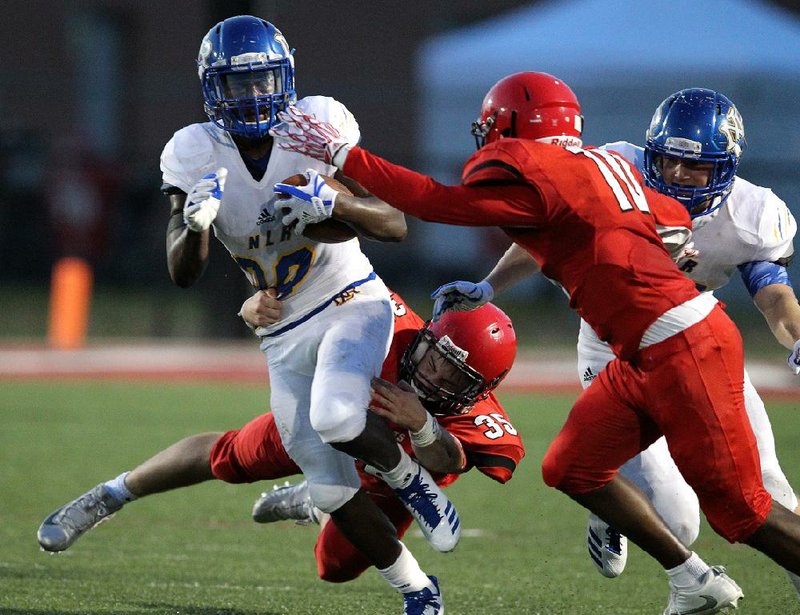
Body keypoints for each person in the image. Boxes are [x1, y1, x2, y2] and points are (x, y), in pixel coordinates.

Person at [271, 70, 800, 614]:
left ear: (511, 128)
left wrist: (343, 156)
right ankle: (691, 580)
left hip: (681, 344)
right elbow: (652, 218)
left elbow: (433, 203)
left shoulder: (546, 169)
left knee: (740, 509)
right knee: (571, 466)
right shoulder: (607, 162)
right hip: (638, 348)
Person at [38, 15, 456, 615]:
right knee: (332, 485)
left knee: (338, 416)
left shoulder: (316, 124)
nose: (253, 96)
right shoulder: (192, 151)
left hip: (349, 300)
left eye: (262, 81)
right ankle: (418, 590)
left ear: (283, 78)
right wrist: (196, 225)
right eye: (238, 85)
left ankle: (412, 483)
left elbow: (393, 223)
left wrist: (333, 200)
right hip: (280, 326)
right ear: (213, 90)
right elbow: (183, 270)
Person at [432, 88, 800, 600]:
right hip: (616, 346)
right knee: (679, 522)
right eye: (667, 161)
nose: (675, 176)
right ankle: (612, 508)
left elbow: (773, 294)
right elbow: (547, 235)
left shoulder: (751, 214)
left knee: (768, 479)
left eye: (694, 169)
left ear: (727, 167)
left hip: (696, 342)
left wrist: (796, 337)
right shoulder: (613, 168)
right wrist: (490, 285)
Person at [36, 292, 524, 588]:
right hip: (321, 425)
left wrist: (422, 425)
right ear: (429, 334)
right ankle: (110, 494)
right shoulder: (383, 318)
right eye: (436, 354)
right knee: (229, 456)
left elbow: (452, 459)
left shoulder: (484, 421)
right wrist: (255, 305)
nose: (434, 373)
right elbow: (302, 288)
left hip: (386, 488)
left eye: (455, 375)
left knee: (334, 568)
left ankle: (315, 501)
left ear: (480, 390)